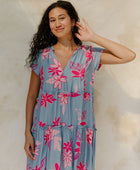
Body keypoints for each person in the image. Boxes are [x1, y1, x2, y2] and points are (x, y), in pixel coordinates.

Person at [24, 0, 136, 170]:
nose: (57, 23)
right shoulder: (43, 57)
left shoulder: (88, 56)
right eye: (52, 20)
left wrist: (93, 37)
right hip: (45, 134)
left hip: (78, 136)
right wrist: (27, 133)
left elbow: (128, 56)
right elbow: (32, 96)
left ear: (72, 21)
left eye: (61, 18)